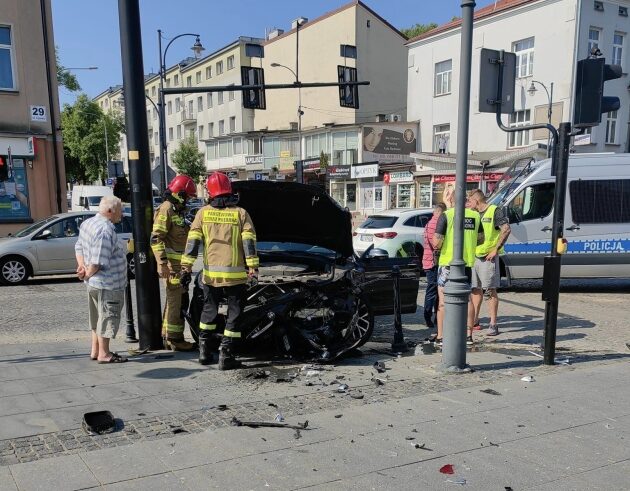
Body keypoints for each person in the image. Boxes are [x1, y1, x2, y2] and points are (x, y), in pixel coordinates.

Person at [180, 172, 258, 369]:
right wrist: (252, 267)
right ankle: (226, 354)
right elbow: (249, 242)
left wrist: (186, 268)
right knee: (234, 314)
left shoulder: (202, 213)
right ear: (229, 190)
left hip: (210, 276)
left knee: (208, 311)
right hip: (236, 277)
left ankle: (204, 352)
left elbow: (192, 243)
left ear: (210, 192)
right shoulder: (240, 213)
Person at [75, 195, 128, 364]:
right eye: (120, 209)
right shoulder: (105, 230)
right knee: (107, 317)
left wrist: (82, 267)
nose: (122, 213)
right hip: (108, 283)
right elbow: (98, 261)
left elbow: (79, 247)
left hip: (93, 284)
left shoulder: (88, 223)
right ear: (110, 211)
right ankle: (104, 354)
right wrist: (87, 273)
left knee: (97, 317)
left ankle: (95, 350)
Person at [150, 174, 198, 351]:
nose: (188, 201)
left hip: (179, 267)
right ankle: (175, 339)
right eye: (187, 197)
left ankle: (167, 337)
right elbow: (156, 238)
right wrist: (162, 263)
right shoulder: (166, 209)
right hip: (171, 267)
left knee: (175, 301)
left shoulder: (177, 209)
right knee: (176, 301)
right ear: (180, 194)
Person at [431, 197, 484, 346]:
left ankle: (441, 336)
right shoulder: (475, 216)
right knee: (467, 300)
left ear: (452, 201)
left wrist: (440, 244)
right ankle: (468, 336)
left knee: (442, 301)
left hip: (447, 263)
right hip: (467, 263)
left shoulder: (447, 215)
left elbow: (436, 242)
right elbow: (481, 239)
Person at [467, 189, 511, 336]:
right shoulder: (473, 214)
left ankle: (493, 323)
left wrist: (495, 249)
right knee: (475, 289)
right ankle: (475, 320)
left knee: (489, 290)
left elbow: (506, 229)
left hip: (488, 257)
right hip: (474, 256)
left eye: (470, 201)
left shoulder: (494, 210)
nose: (468, 203)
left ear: (476, 201)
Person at [422, 202, 446, 331]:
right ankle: (430, 316)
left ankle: (433, 316)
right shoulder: (437, 224)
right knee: (435, 290)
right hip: (434, 261)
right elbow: (437, 244)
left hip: (427, 260)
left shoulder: (428, 224)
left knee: (433, 289)